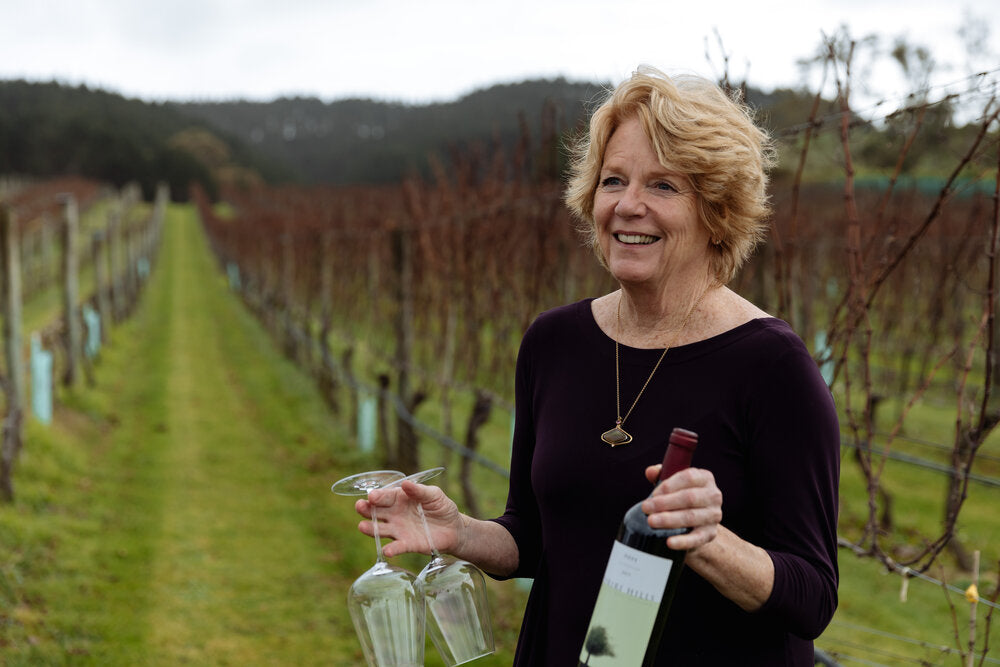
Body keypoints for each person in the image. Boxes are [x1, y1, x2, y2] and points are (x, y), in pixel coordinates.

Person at [355, 66, 840, 666]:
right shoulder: (553, 342)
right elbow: (532, 540)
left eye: (664, 186)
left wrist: (706, 541)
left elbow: (813, 596)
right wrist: (460, 533)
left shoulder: (773, 367)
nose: (628, 205)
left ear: (717, 210)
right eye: (614, 180)